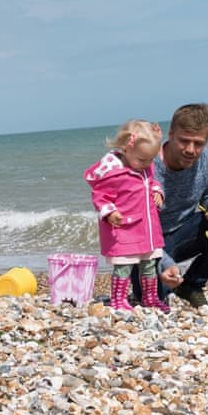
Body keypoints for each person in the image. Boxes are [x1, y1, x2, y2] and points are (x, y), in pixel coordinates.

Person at [134, 103, 208, 307]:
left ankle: (192, 284)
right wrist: (166, 264)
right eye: (184, 141)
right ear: (170, 134)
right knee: (154, 300)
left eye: (198, 143)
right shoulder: (146, 165)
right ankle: (167, 281)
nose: (191, 150)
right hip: (146, 243)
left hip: (184, 233)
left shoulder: (205, 158)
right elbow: (136, 230)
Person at [84, 119, 169, 313]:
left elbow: (153, 181)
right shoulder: (114, 174)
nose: (146, 165)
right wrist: (110, 212)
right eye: (141, 160)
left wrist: (158, 191)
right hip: (125, 229)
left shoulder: (145, 167)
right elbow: (100, 196)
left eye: (150, 160)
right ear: (125, 148)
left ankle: (150, 297)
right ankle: (119, 299)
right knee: (123, 267)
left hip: (147, 229)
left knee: (150, 265)